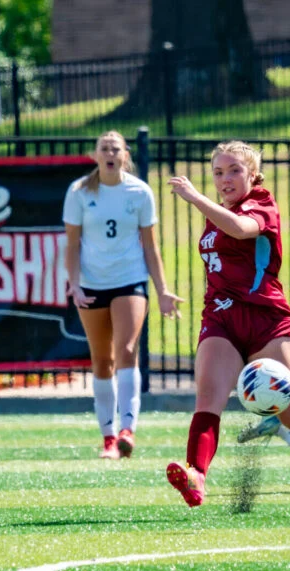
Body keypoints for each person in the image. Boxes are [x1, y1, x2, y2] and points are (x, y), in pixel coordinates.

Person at [164, 141, 290, 515]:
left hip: (267, 320)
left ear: (253, 174)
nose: (225, 179)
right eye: (218, 172)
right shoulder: (216, 213)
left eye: (234, 170)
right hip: (221, 316)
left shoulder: (262, 205)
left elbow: (240, 230)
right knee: (207, 401)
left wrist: (196, 198)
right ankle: (196, 477)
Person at [64, 131, 183, 459]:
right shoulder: (78, 192)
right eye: (104, 148)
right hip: (91, 283)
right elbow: (72, 244)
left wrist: (162, 291)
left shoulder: (140, 192)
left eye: (115, 148)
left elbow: (150, 245)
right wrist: (74, 283)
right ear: (96, 155)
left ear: (125, 155)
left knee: (127, 348)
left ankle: (128, 430)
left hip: (129, 280)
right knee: (102, 360)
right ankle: (108, 437)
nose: (110, 153)